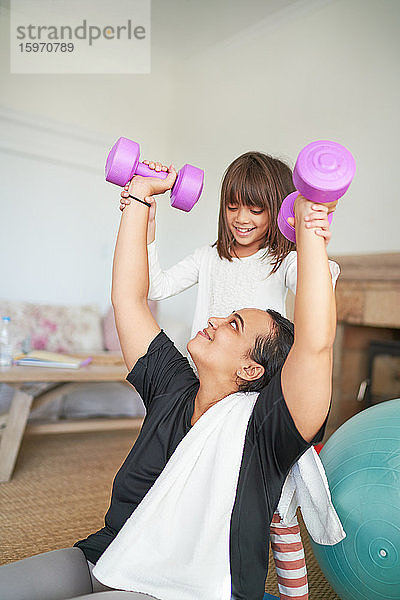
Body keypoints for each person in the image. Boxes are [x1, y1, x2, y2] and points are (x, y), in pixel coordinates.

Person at [0, 162, 338, 600]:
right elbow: (128, 297)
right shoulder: (174, 384)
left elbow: (313, 344)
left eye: (234, 324)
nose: (216, 317)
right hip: (105, 556)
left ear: (251, 369)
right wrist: (140, 197)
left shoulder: (266, 433)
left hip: (176, 589)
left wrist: (310, 227)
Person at [118, 152, 344, 600]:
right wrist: (144, 211)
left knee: (276, 513)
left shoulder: (284, 261)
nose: (241, 218)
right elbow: (150, 289)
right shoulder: (209, 258)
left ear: (277, 209)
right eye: (232, 206)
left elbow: (324, 285)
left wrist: (308, 234)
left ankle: (293, 593)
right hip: (206, 386)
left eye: (256, 208)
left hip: (263, 396)